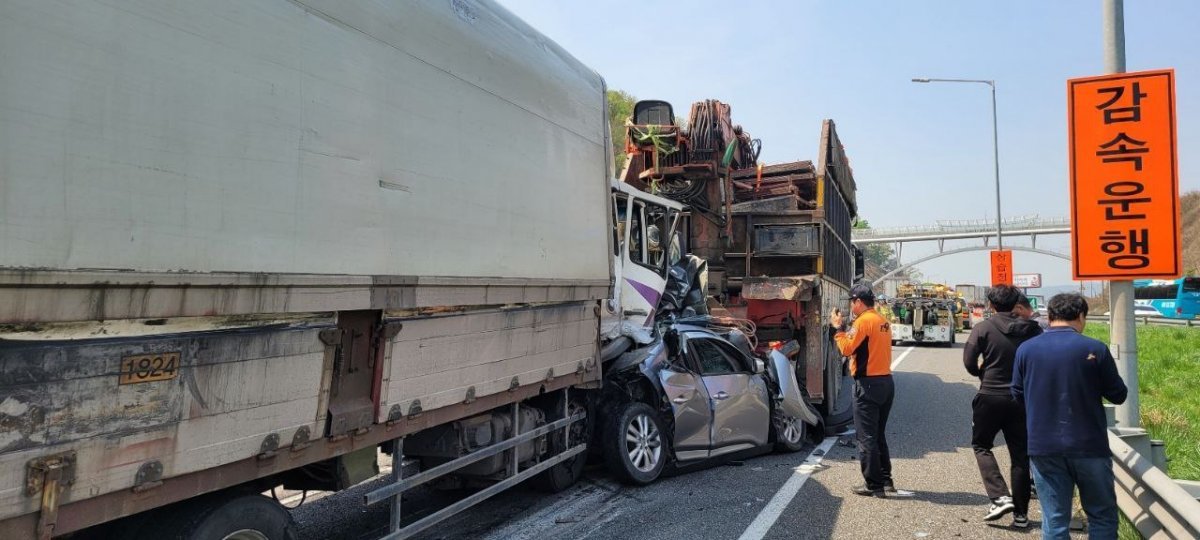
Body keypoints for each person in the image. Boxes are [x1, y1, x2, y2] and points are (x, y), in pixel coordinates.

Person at [1013, 293, 1128, 540]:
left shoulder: (1026, 350)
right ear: (1080, 316)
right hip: (1090, 446)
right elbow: (1118, 395)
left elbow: (1017, 394)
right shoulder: (1094, 348)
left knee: (1054, 520)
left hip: (1043, 446)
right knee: (1101, 516)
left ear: (1050, 316)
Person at [962, 285, 1042, 527]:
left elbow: (968, 360)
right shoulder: (1034, 330)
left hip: (990, 396)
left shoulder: (983, 327)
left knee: (981, 444)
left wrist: (981, 374)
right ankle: (1021, 516)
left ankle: (999, 496)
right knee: (1020, 456)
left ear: (992, 305)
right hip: (1022, 399)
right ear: (1016, 304)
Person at [831, 283, 896, 498]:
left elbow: (847, 348)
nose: (851, 306)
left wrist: (838, 329)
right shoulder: (882, 321)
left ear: (858, 302)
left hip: (867, 385)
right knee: (878, 435)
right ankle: (886, 479)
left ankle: (873, 484)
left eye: (852, 302)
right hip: (886, 382)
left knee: (865, 436)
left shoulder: (863, 322)